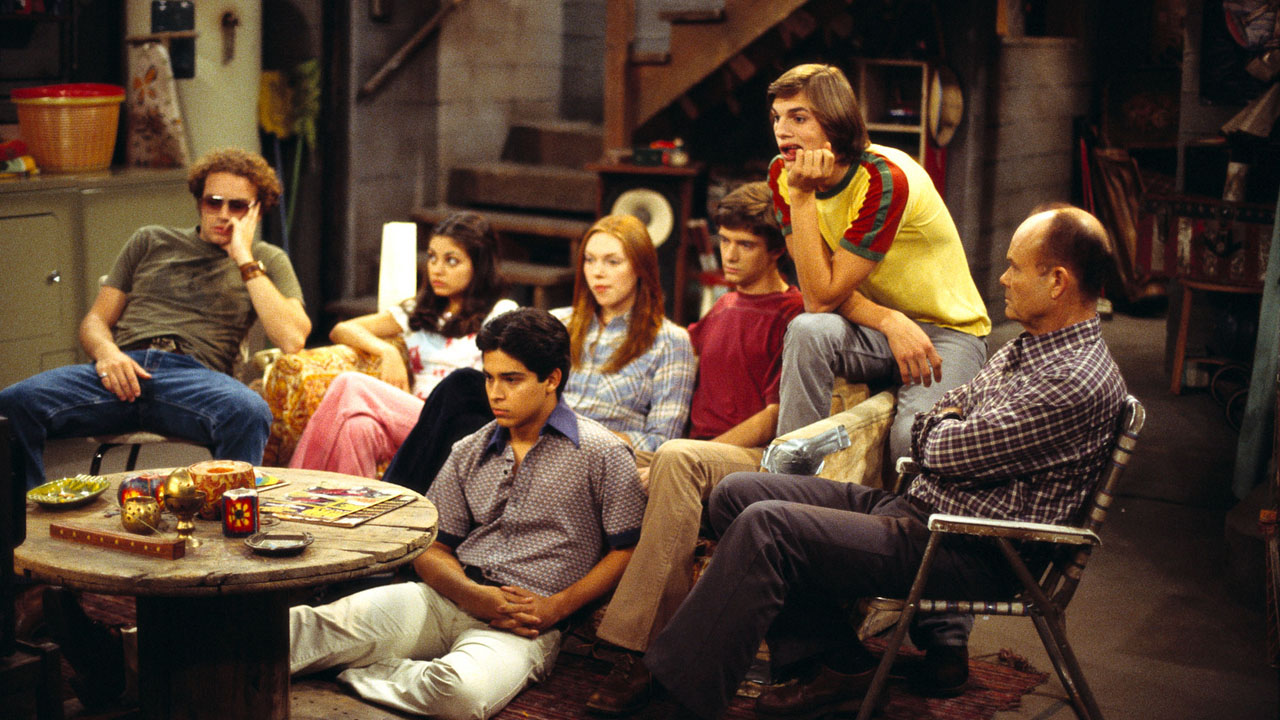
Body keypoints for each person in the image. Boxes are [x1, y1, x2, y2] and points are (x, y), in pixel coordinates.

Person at [635, 205, 1128, 720]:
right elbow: (938, 420)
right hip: (923, 512)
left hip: (970, 546)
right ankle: (835, 666)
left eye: (1015, 267)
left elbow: (941, 447)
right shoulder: (1028, 348)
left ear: (1057, 281)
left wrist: (944, 432)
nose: (1003, 278)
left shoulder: (1072, 378)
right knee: (738, 493)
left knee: (768, 527)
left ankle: (676, 696)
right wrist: (945, 429)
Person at [288, 308, 647, 719]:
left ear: (551, 379)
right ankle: (351, 660)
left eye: (511, 380)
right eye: (489, 378)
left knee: (460, 694)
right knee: (304, 628)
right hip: (446, 598)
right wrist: (471, 595)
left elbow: (627, 549)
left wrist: (557, 608)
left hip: (524, 623)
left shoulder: (602, 453)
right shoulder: (470, 449)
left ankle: (355, 669)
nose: (495, 393)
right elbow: (431, 548)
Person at [585, 182, 804, 715]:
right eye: (725, 241)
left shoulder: (792, 312)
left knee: (675, 459)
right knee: (587, 450)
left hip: (751, 458)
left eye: (745, 245)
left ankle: (639, 653)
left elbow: (775, 414)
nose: (730, 254)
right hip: (687, 452)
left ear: (776, 249)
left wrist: (689, 452)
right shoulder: (724, 305)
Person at [0, 147, 309, 489]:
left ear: (257, 210)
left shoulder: (267, 259)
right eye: (213, 202)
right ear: (200, 202)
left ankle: (228, 512)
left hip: (194, 378)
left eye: (237, 206)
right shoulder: (150, 240)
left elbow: (292, 338)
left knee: (249, 412)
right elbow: (95, 321)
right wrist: (107, 353)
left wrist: (243, 258)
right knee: (14, 403)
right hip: (121, 368)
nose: (223, 214)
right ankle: (23, 515)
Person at [767, 63, 991, 464]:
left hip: (946, 332)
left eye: (798, 118)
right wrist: (888, 320)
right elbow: (817, 298)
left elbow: (824, 294)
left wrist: (890, 320)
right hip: (873, 327)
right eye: (777, 118)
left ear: (834, 121)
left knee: (910, 442)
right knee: (807, 330)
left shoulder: (883, 177)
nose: (782, 131)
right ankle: (790, 480)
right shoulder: (786, 176)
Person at [382, 213, 696, 491]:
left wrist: (589, 433)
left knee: (466, 419)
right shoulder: (559, 321)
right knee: (462, 388)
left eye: (612, 262)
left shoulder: (670, 341)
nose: (597, 272)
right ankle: (397, 503)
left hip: (590, 448)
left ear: (640, 267)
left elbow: (661, 443)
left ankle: (404, 507)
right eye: (590, 260)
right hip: (529, 428)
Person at [287, 212, 516, 479]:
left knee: (350, 383)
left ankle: (297, 480)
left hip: (454, 426)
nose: (437, 269)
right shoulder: (419, 312)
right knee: (357, 427)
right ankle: (357, 502)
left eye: (451, 261)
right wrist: (387, 351)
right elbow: (342, 330)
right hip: (411, 418)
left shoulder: (500, 312)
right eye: (432, 257)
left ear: (479, 265)